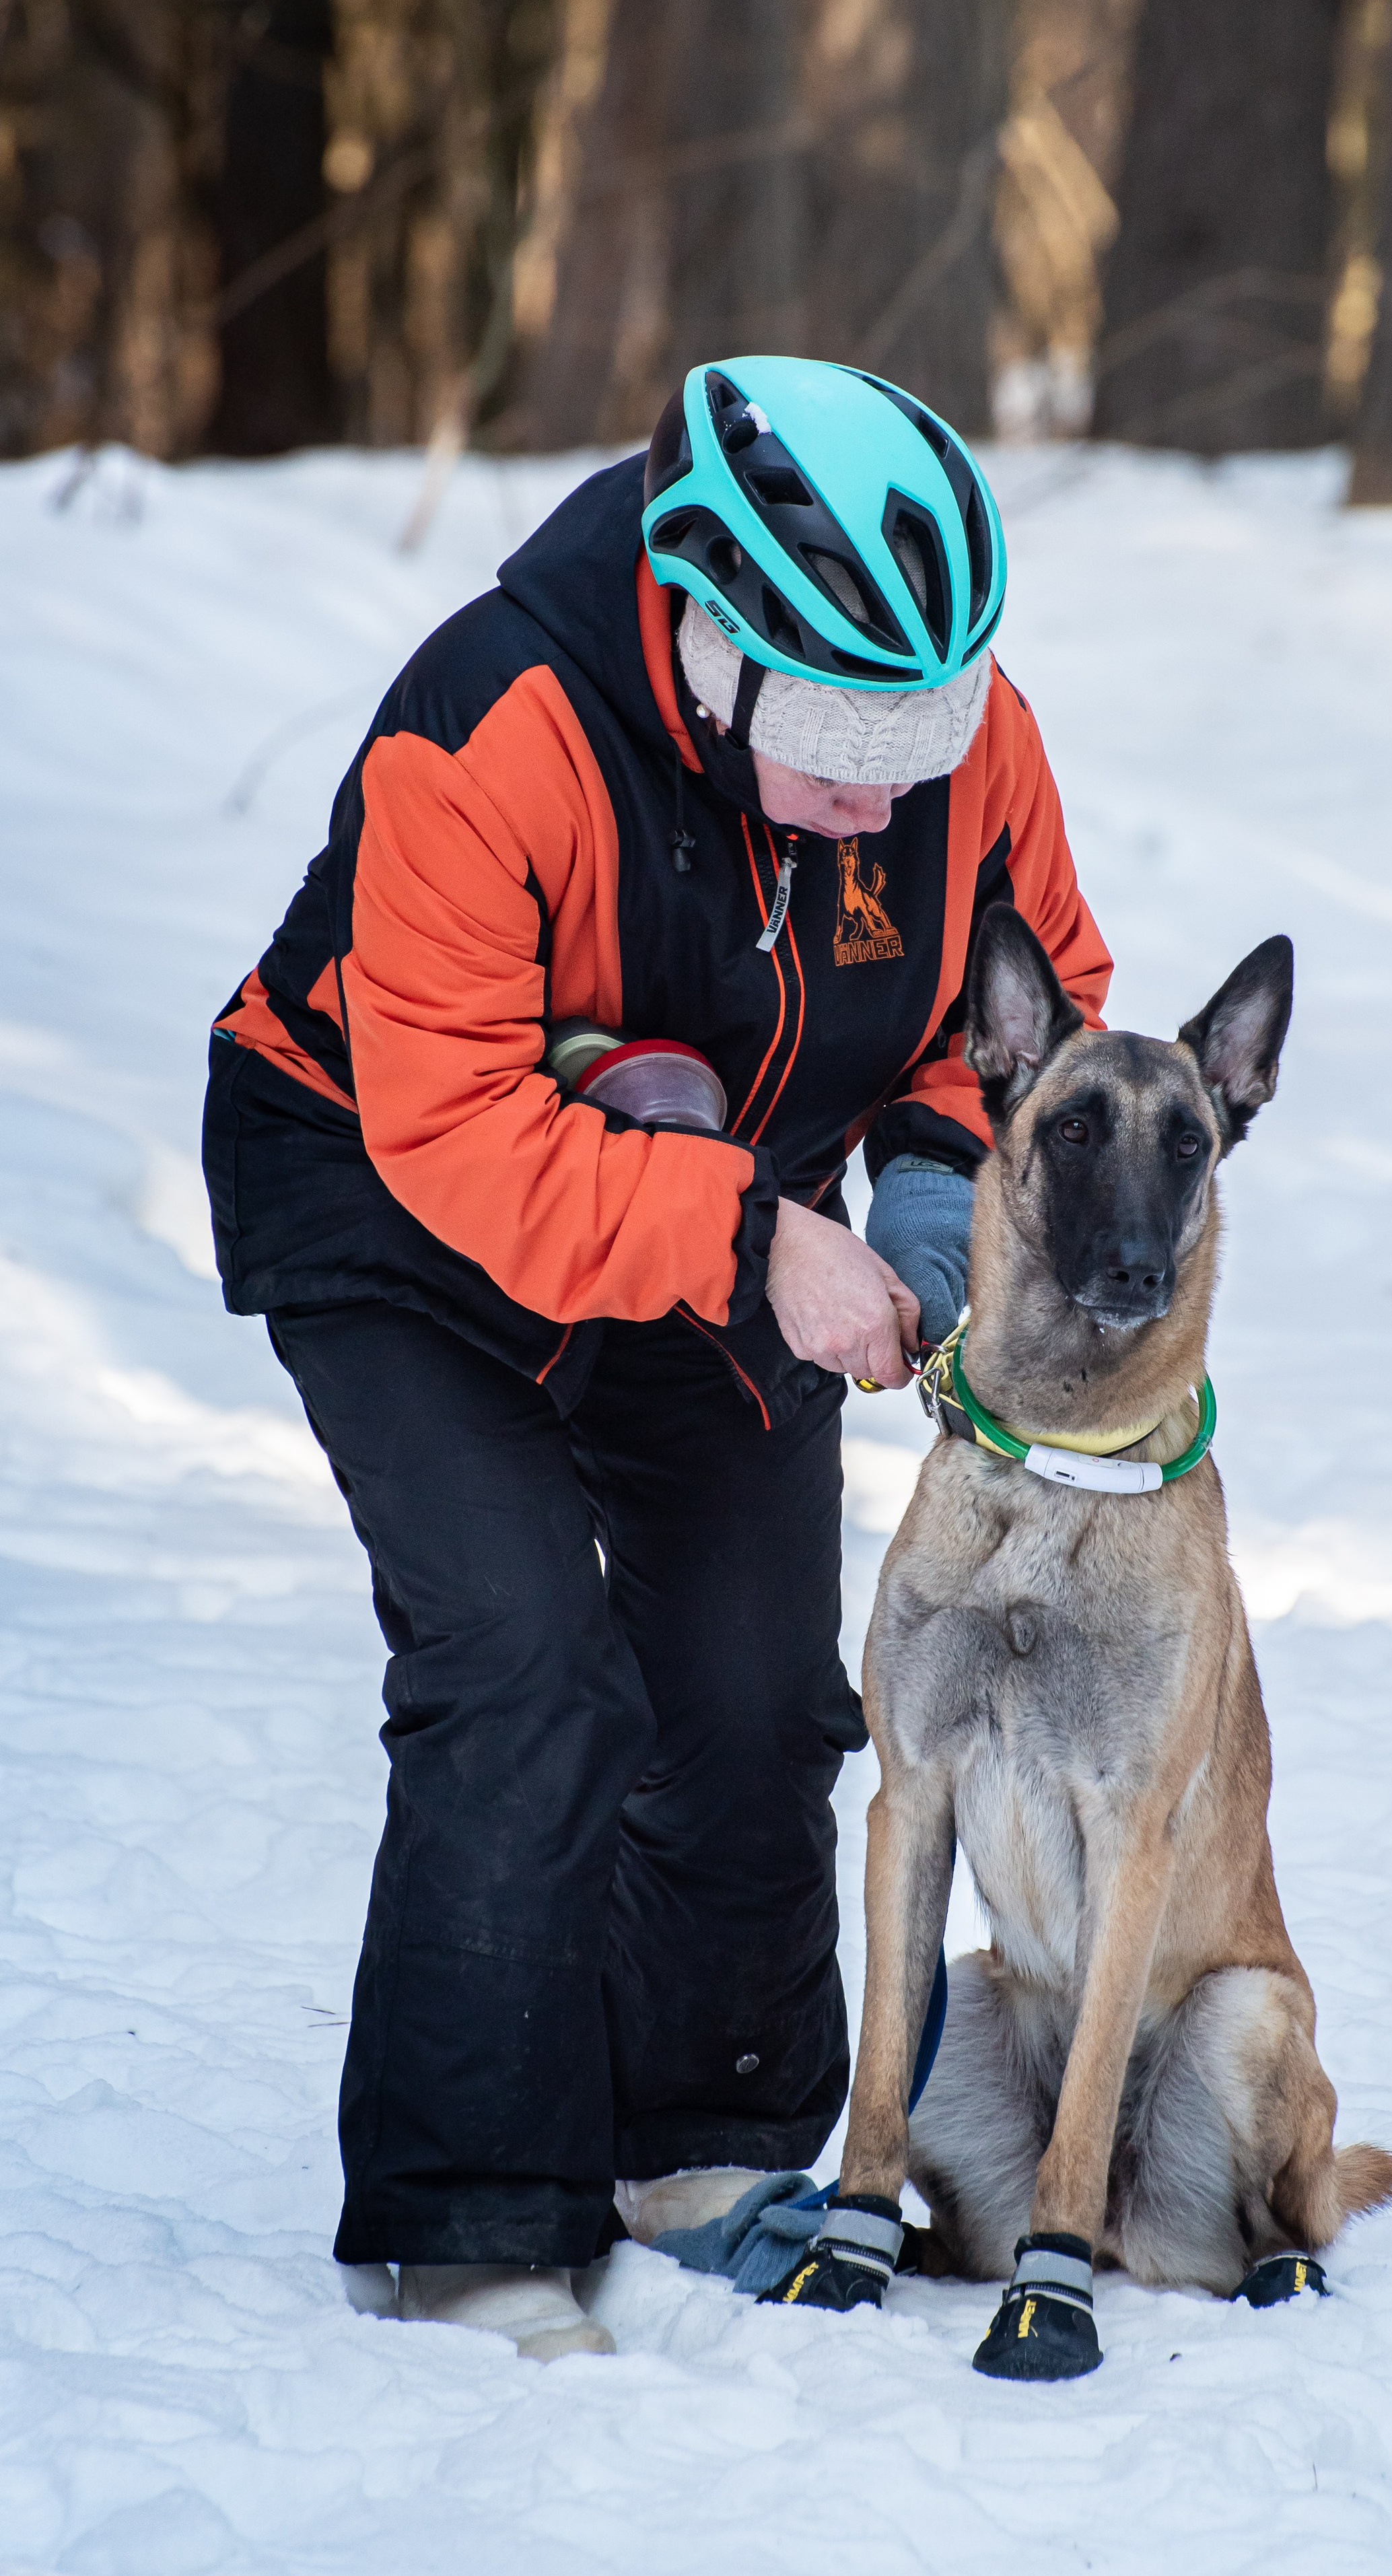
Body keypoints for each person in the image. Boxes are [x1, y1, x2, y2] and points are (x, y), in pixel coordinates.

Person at [202, 355, 1111, 2361]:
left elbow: (1021, 1000)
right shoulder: (493, 728)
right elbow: (454, 1121)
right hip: (387, 1189)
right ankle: (469, 2223)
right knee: (524, 1659)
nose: (889, 788)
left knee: (751, 1684)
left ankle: (703, 2141)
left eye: (927, 727)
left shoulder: (953, 736)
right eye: (846, 737)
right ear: (708, 641)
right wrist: (752, 1240)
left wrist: (936, 1190)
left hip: (726, 1199)